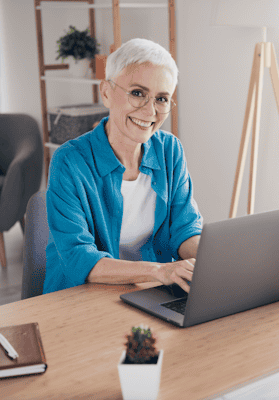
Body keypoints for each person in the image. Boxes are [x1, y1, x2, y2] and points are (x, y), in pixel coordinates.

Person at [43, 38, 202, 294]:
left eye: (162, 99)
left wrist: (213, 262)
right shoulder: (69, 161)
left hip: (149, 293)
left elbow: (184, 228)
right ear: (106, 92)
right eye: (138, 93)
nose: (150, 110)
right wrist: (159, 271)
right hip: (81, 297)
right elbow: (78, 258)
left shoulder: (170, 150)